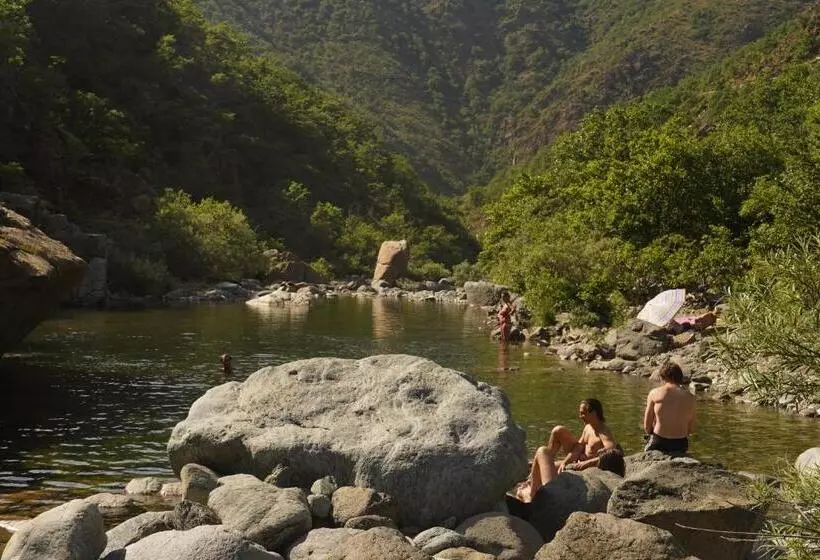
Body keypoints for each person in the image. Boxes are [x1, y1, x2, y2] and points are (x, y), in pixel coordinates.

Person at [514, 398, 619, 503]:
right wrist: (566, 461)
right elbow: (579, 446)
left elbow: (611, 453)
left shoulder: (604, 433)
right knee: (558, 431)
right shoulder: (588, 427)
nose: (580, 416)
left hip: (586, 467)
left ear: (594, 413)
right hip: (577, 461)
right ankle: (534, 479)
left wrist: (586, 463)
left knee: (542, 453)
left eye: (583, 413)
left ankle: (538, 494)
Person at [643, 362, 695, 454]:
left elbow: (647, 425)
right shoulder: (690, 397)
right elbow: (690, 429)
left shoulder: (654, 393)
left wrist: (651, 432)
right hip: (680, 443)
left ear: (664, 377)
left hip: (659, 441)